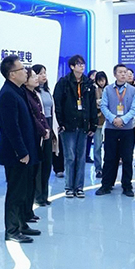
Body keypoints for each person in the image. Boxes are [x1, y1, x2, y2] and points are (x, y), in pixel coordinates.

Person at [0, 56, 40, 243]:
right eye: (22, 69)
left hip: (27, 151)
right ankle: (12, 230)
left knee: (23, 191)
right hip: (16, 155)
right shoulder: (8, 94)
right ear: (12, 74)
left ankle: (22, 224)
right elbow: (11, 128)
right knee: (15, 192)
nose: (26, 71)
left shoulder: (18, 91)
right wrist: (22, 151)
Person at [53, 55, 96, 198]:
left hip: (83, 125)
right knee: (70, 157)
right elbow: (57, 103)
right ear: (72, 67)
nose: (82, 66)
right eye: (79, 64)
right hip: (68, 125)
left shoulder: (88, 84)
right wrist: (60, 123)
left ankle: (79, 187)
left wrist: (93, 124)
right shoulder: (64, 82)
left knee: (81, 157)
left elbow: (92, 105)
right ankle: (69, 187)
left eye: (83, 64)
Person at [95, 64, 135, 197]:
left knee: (127, 158)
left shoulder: (133, 90)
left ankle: (127, 186)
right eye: (120, 72)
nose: (123, 74)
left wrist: (123, 120)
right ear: (115, 74)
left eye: (125, 72)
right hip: (111, 128)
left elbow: (134, 109)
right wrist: (113, 119)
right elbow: (103, 106)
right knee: (109, 157)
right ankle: (106, 185)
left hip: (127, 129)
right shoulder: (108, 89)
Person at [23, 68, 50, 222]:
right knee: (29, 177)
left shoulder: (36, 93)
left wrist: (46, 128)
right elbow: (33, 117)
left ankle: (30, 210)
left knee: (42, 168)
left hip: (41, 135)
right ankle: (26, 212)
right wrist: (42, 130)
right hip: (32, 137)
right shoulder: (24, 95)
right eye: (33, 76)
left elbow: (41, 114)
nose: (37, 78)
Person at [31, 64, 58, 206]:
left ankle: (45, 195)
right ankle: (38, 195)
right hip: (39, 129)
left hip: (49, 126)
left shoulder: (47, 91)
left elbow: (52, 111)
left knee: (48, 163)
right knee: (39, 165)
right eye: (40, 73)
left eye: (44, 73)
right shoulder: (32, 93)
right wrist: (43, 129)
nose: (43, 76)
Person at [92, 71, 108, 178]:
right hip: (98, 122)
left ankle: (107, 167)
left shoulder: (110, 90)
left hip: (109, 122)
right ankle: (98, 168)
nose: (101, 82)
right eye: (99, 80)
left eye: (103, 80)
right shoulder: (94, 91)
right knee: (97, 147)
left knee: (108, 147)